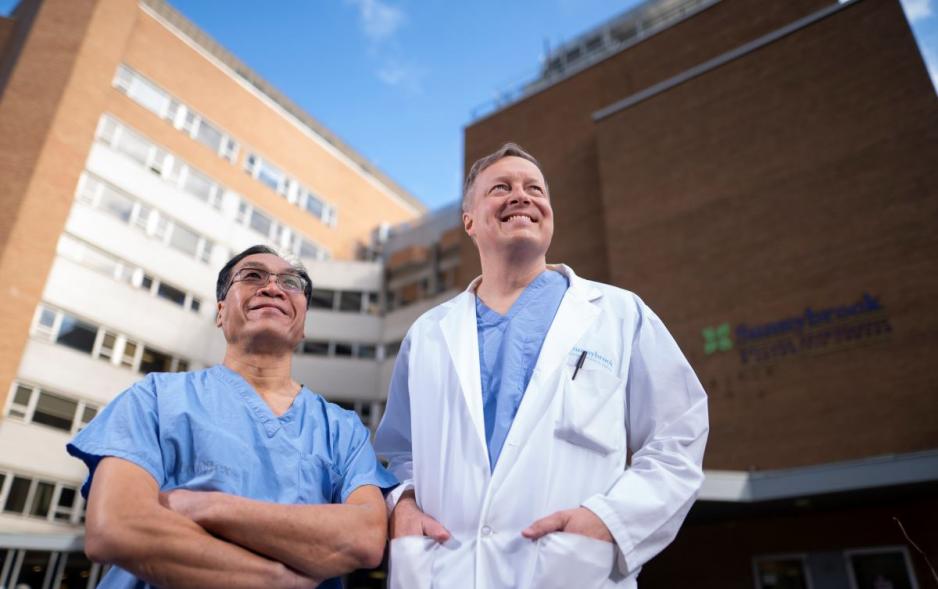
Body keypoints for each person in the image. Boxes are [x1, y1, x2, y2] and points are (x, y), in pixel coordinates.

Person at [374, 144, 709, 589]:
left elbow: (677, 437)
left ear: (549, 214)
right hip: (443, 569)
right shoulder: (428, 335)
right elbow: (399, 453)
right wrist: (405, 503)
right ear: (469, 221)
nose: (521, 196)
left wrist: (609, 521)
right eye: (501, 188)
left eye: (534, 188)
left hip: (568, 571)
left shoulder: (619, 314)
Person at [67, 245, 396, 589]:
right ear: (221, 312)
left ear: (303, 326)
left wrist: (203, 506)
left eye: (290, 283)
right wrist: (275, 579)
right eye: (253, 276)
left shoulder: (341, 429)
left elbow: (366, 537)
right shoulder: (155, 399)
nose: (272, 287)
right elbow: (115, 527)